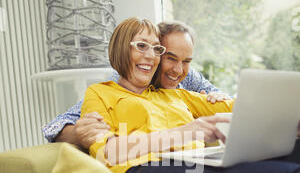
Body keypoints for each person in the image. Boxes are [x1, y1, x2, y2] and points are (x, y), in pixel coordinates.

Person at [80, 16, 300, 173]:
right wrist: (185, 132)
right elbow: (108, 152)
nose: (151, 56)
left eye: (157, 49)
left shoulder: (175, 94)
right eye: (141, 46)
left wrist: (289, 116)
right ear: (120, 48)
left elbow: (241, 107)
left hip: (197, 163)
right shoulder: (99, 93)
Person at [42, 21, 231, 149]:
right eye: (170, 58)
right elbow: (56, 126)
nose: (178, 70)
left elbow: (225, 102)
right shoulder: (118, 85)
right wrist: (78, 133)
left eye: (186, 61)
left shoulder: (187, 78)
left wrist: (218, 97)